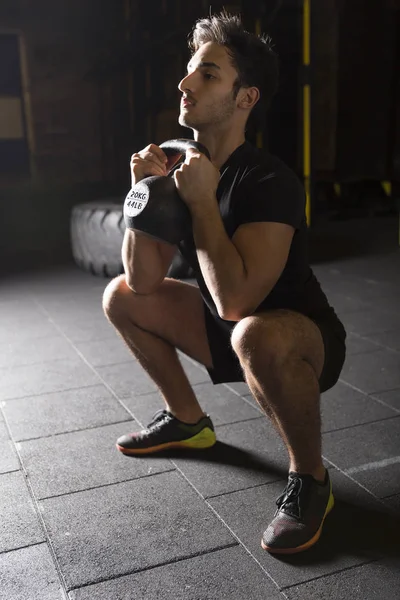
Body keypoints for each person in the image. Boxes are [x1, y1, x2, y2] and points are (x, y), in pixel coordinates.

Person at [102, 12, 346, 555]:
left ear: (245, 98)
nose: (186, 84)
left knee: (254, 334)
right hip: (228, 329)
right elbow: (143, 283)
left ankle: (311, 480)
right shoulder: (182, 169)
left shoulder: (268, 180)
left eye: (208, 74)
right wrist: (142, 195)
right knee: (117, 295)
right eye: (190, 72)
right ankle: (188, 421)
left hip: (299, 341)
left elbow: (237, 302)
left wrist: (201, 203)